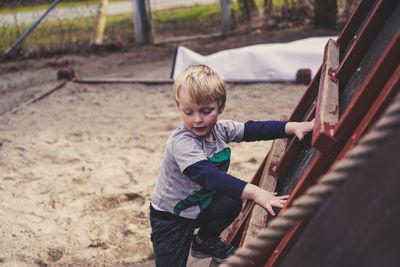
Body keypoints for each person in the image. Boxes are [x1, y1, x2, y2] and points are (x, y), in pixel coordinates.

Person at [150, 64, 314, 266]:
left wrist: (291, 127)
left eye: (206, 111)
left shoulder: (221, 129)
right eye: (188, 112)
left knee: (231, 197)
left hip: (201, 205)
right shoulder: (182, 143)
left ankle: (204, 241)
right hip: (171, 216)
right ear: (179, 108)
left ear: (220, 106)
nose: (198, 120)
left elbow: (254, 129)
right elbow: (209, 176)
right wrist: (256, 192)